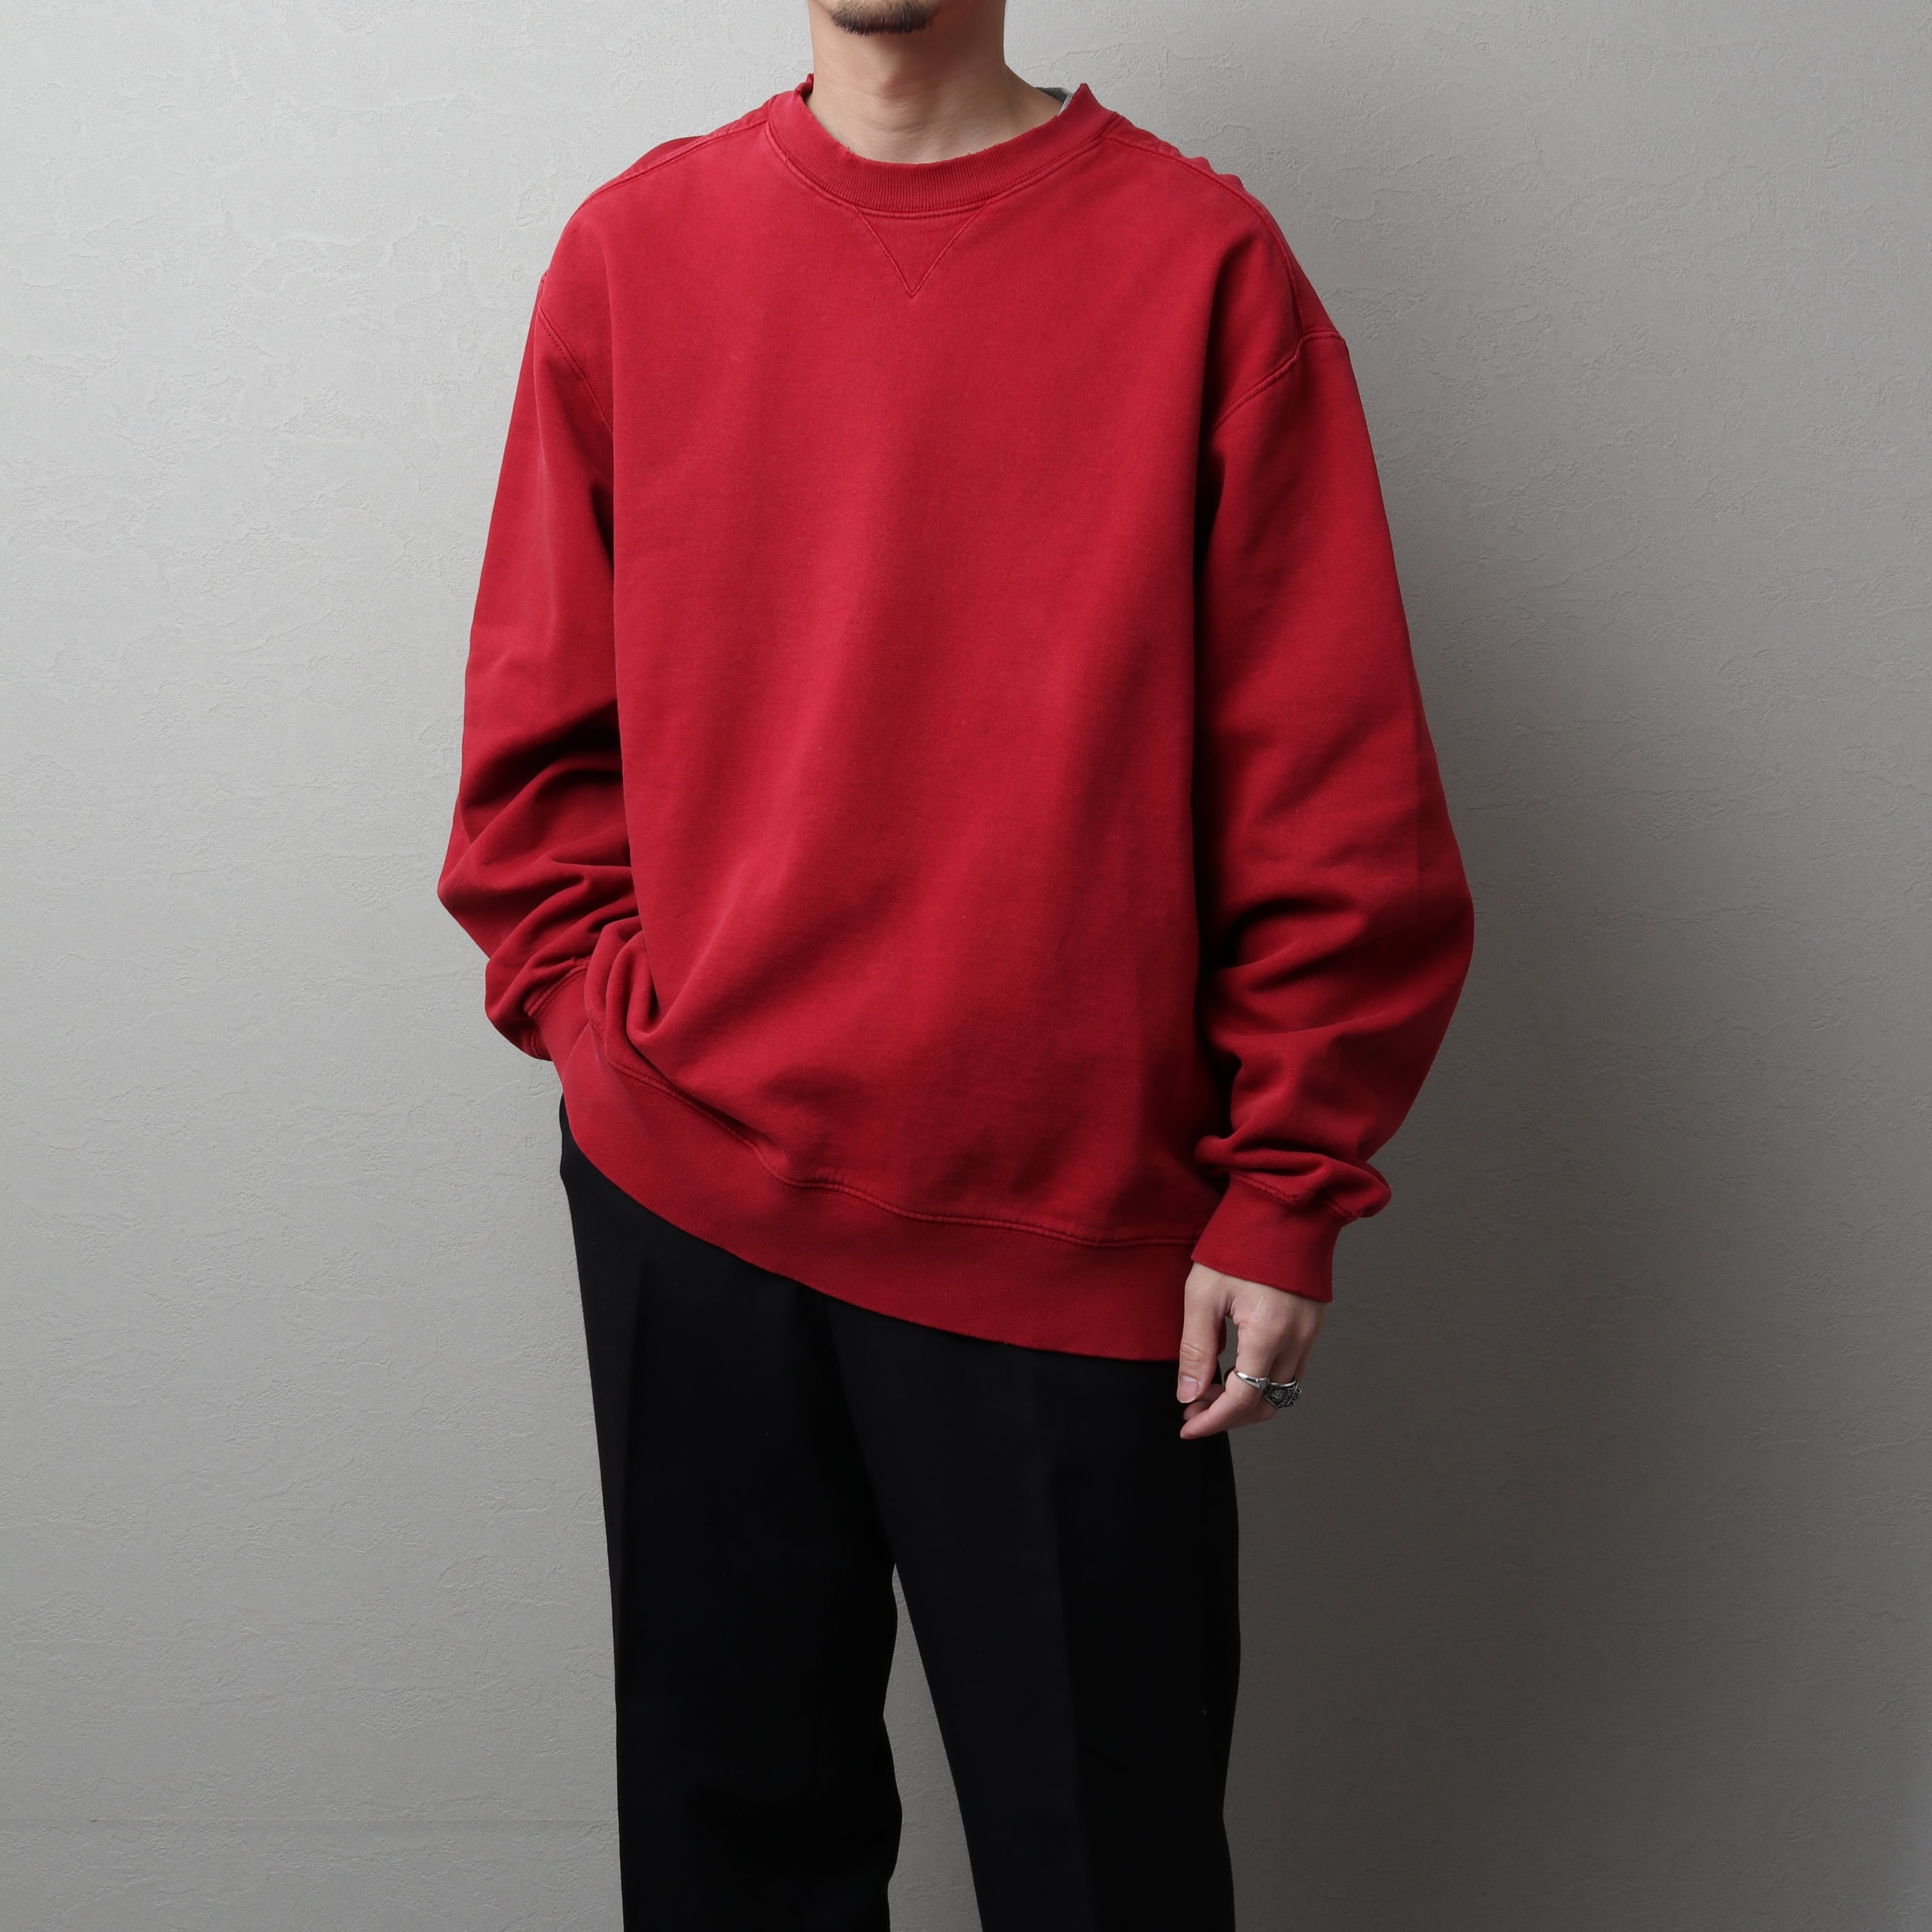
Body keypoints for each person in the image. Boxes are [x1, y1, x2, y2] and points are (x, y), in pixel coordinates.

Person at [436, 2, 1474, 1925]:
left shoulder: (1201, 266)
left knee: (1109, 1874)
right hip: (692, 1195)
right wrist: (602, 1034)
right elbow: (534, 745)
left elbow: (1332, 779)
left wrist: (1286, 1180)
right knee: (730, 1868)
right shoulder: (633, 253)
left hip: (1074, 1231)